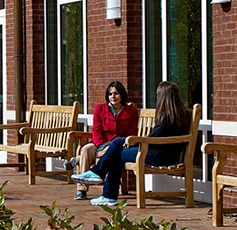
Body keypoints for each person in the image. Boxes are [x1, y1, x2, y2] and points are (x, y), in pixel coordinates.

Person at [90, 79, 193, 209]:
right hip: (164, 154)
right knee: (117, 146)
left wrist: (137, 141)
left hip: (158, 156)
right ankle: (101, 181)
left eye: (158, 95)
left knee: (116, 149)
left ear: (163, 98)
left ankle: (104, 185)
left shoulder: (167, 118)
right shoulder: (179, 115)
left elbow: (151, 139)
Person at [70, 81, 138, 200]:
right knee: (86, 149)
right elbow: (96, 130)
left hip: (119, 145)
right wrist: (100, 144)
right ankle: (82, 190)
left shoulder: (130, 111)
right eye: (110, 94)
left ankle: (77, 160)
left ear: (122, 94)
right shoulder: (100, 109)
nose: (113, 96)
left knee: (105, 151)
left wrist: (119, 143)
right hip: (100, 143)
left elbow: (131, 133)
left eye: (116, 93)